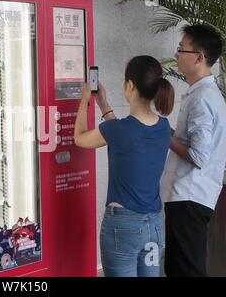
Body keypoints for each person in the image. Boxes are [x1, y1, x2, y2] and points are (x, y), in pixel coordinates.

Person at [74, 56, 175, 277]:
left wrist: (83, 101)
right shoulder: (164, 128)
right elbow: (126, 136)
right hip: (155, 226)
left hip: (123, 227)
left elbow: (80, 138)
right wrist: (103, 103)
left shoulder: (120, 130)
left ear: (130, 85)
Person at [160, 24, 226, 277]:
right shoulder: (203, 94)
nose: (176, 55)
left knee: (186, 269)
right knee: (180, 267)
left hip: (189, 196)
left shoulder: (202, 98)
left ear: (199, 57)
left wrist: (165, 136)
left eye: (181, 49)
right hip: (189, 195)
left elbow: (199, 156)